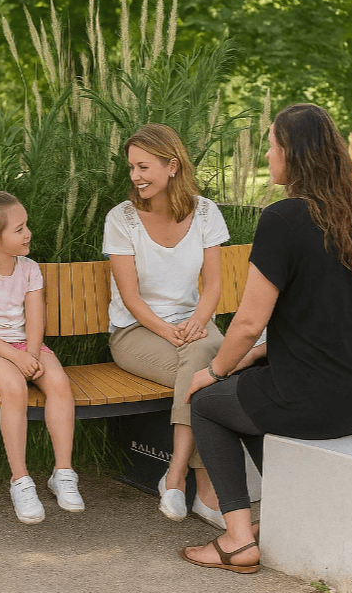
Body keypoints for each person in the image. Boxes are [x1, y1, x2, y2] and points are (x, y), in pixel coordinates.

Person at [180, 103, 352, 573]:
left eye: (273, 146)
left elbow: (247, 322)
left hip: (325, 399)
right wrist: (249, 359)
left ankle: (237, 539)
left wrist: (214, 370)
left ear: (293, 155)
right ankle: (287, 513)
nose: (266, 156)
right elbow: (323, 318)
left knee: (206, 404)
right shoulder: (351, 213)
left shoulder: (282, 218)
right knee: (254, 379)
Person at [103, 123, 230, 528]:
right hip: (136, 332)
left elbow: (213, 285)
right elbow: (130, 298)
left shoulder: (206, 212)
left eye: (143, 166)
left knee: (203, 359)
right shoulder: (122, 219)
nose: (135, 176)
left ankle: (175, 477)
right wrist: (168, 329)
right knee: (208, 370)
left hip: (194, 325)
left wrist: (197, 320)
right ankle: (198, 484)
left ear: (172, 166)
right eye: (131, 168)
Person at [0, 190, 83, 525]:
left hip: (27, 345)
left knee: (57, 381)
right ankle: (20, 480)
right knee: (14, 387)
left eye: (26, 226)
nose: (28, 234)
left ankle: (64, 472)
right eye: (19, 229)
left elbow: (35, 317)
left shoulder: (29, 270)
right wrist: (16, 358)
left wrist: (32, 353)